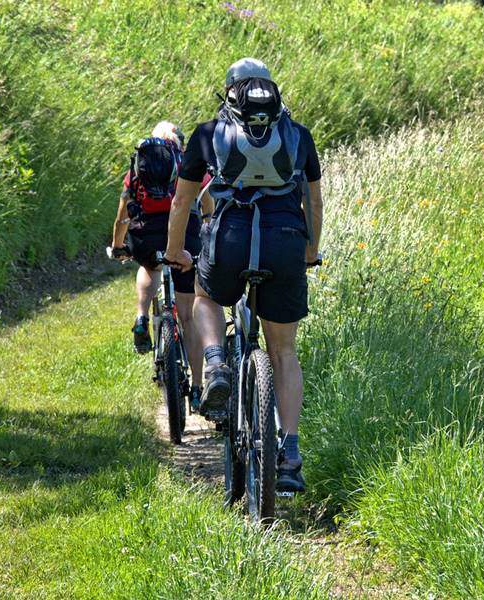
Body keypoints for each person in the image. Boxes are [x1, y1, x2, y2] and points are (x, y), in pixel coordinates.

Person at [164, 59, 323, 492]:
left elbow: (182, 203)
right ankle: (289, 454)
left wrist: (177, 251)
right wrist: (309, 252)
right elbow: (314, 200)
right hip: (286, 241)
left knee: (206, 296)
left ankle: (215, 364)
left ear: (229, 92)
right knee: (284, 351)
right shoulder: (298, 135)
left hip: (230, 237)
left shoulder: (206, 134)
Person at [108, 121, 214, 408]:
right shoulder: (188, 163)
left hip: (146, 235)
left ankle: (142, 316)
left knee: (150, 267)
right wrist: (206, 228)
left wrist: (119, 247)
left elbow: (122, 218)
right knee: (189, 318)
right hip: (185, 238)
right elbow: (207, 203)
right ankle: (197, 386)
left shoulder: (138, 169)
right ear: (179, 142)